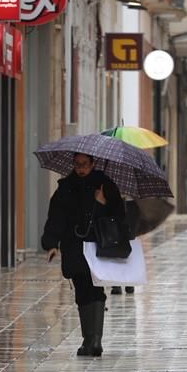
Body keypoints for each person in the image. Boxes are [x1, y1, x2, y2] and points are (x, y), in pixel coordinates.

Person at [42, 152, 127, 357]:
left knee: (95, 288)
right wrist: (51, 244)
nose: (81, 169)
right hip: (74, 246)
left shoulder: (105, 185)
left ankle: (95, 340)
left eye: (84, 164)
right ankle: (88, 339)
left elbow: (119, 216)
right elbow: (56, 217)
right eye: (77, 164)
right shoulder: (66, 187)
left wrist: (103, 203)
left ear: (93, 163)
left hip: (97, 245)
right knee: (81, 288)